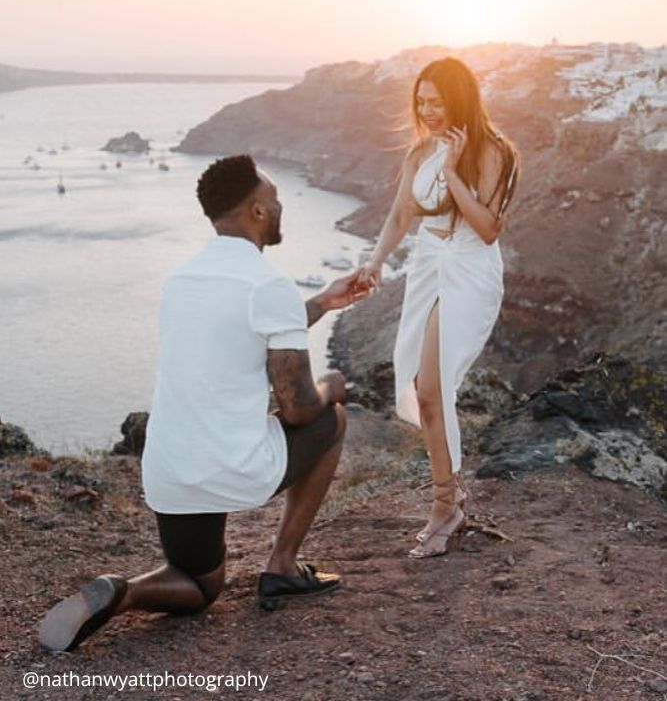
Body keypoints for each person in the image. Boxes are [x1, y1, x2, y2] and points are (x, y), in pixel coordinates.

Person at [39, 154, 368, 652]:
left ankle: (123, 592)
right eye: (275, 200)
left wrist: (322, 302)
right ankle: (281, 567)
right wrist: (333, 385)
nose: (280, 209)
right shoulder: (267, 283)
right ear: (257, 211)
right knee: (333, 419)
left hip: (171, 468)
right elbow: (299, 407)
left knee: (197, 586)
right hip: (234, 466)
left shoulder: (183, 278)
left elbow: (244, 333)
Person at [359, 58, 519, 557]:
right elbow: (402, 212)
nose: (427, 111)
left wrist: (452, 171)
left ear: (460, 99)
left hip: (470, 270)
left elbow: (489, 228)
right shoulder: (419, 150)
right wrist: (376, 261)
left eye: (436, 101)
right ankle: (450, 499)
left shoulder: (493, 151)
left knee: (432, 388)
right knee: (420, 385)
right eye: (421, 101)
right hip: (427, 266)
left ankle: (445, 507)